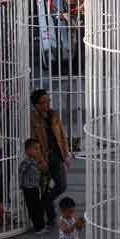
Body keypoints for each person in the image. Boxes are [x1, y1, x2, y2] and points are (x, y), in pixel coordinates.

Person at [30, 89, 71, 226]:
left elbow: (62, 136)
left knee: (61, 186)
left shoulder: (54, 115)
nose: (47, 104)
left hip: (57, 155)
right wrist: (40, 160)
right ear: (36, 105)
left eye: (48, 101)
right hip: (43, 157)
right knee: (46, 187)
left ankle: (42, 205)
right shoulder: (32, 119)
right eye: (43, 102)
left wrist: (66, 154)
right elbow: (33, 142)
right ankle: (50, 216)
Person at [19, 138, 48, 234]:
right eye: (35, 149)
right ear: (28, 150)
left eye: (38, 149)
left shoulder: (35, 161)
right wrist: (21, 185)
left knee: (37, 207)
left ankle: (39, 225)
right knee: (33, 207)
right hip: (28, 188)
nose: (38, 151)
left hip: (35, 187)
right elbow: (21, 173)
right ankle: (38, 227)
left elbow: (42, 170)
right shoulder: (26, 162)